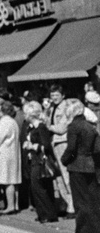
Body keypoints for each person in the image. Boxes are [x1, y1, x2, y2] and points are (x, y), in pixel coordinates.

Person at [59, 99, 100, 233]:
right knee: (93, 200)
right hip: (91, 165)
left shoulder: (74, 127)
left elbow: (71, 149)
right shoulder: (90, 126)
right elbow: (97, 149)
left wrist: (64, 160)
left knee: (80, 201)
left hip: (77, 166)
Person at [21, 101, 59, 223]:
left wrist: (32, 146)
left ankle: (49, 213)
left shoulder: (41, 127)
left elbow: (46, 146)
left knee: (39, 187)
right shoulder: (31, 128)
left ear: (30, 114)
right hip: (33, 160)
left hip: (40, 161)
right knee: (38, 188)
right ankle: (43, 213)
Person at [44, 85, 76, 215]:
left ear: (63, 95)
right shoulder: (51, 108)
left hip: (62, 142)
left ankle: (72, 206)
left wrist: (49, 126)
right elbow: (45, 120)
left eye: (56, 95)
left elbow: (62, 128)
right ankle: (67, 203)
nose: (54, 98)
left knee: (66, 174)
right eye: (52, 96)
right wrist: (46, 111)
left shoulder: (66, 108)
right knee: (58, 176)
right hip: (53, 143)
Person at [0, 101, 22, 215]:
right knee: (13, 180)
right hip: (12, 152)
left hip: (4, 154)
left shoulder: (4, 123)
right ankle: (15, 205)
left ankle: (10, 206)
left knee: (8, 180)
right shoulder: (12, 122)